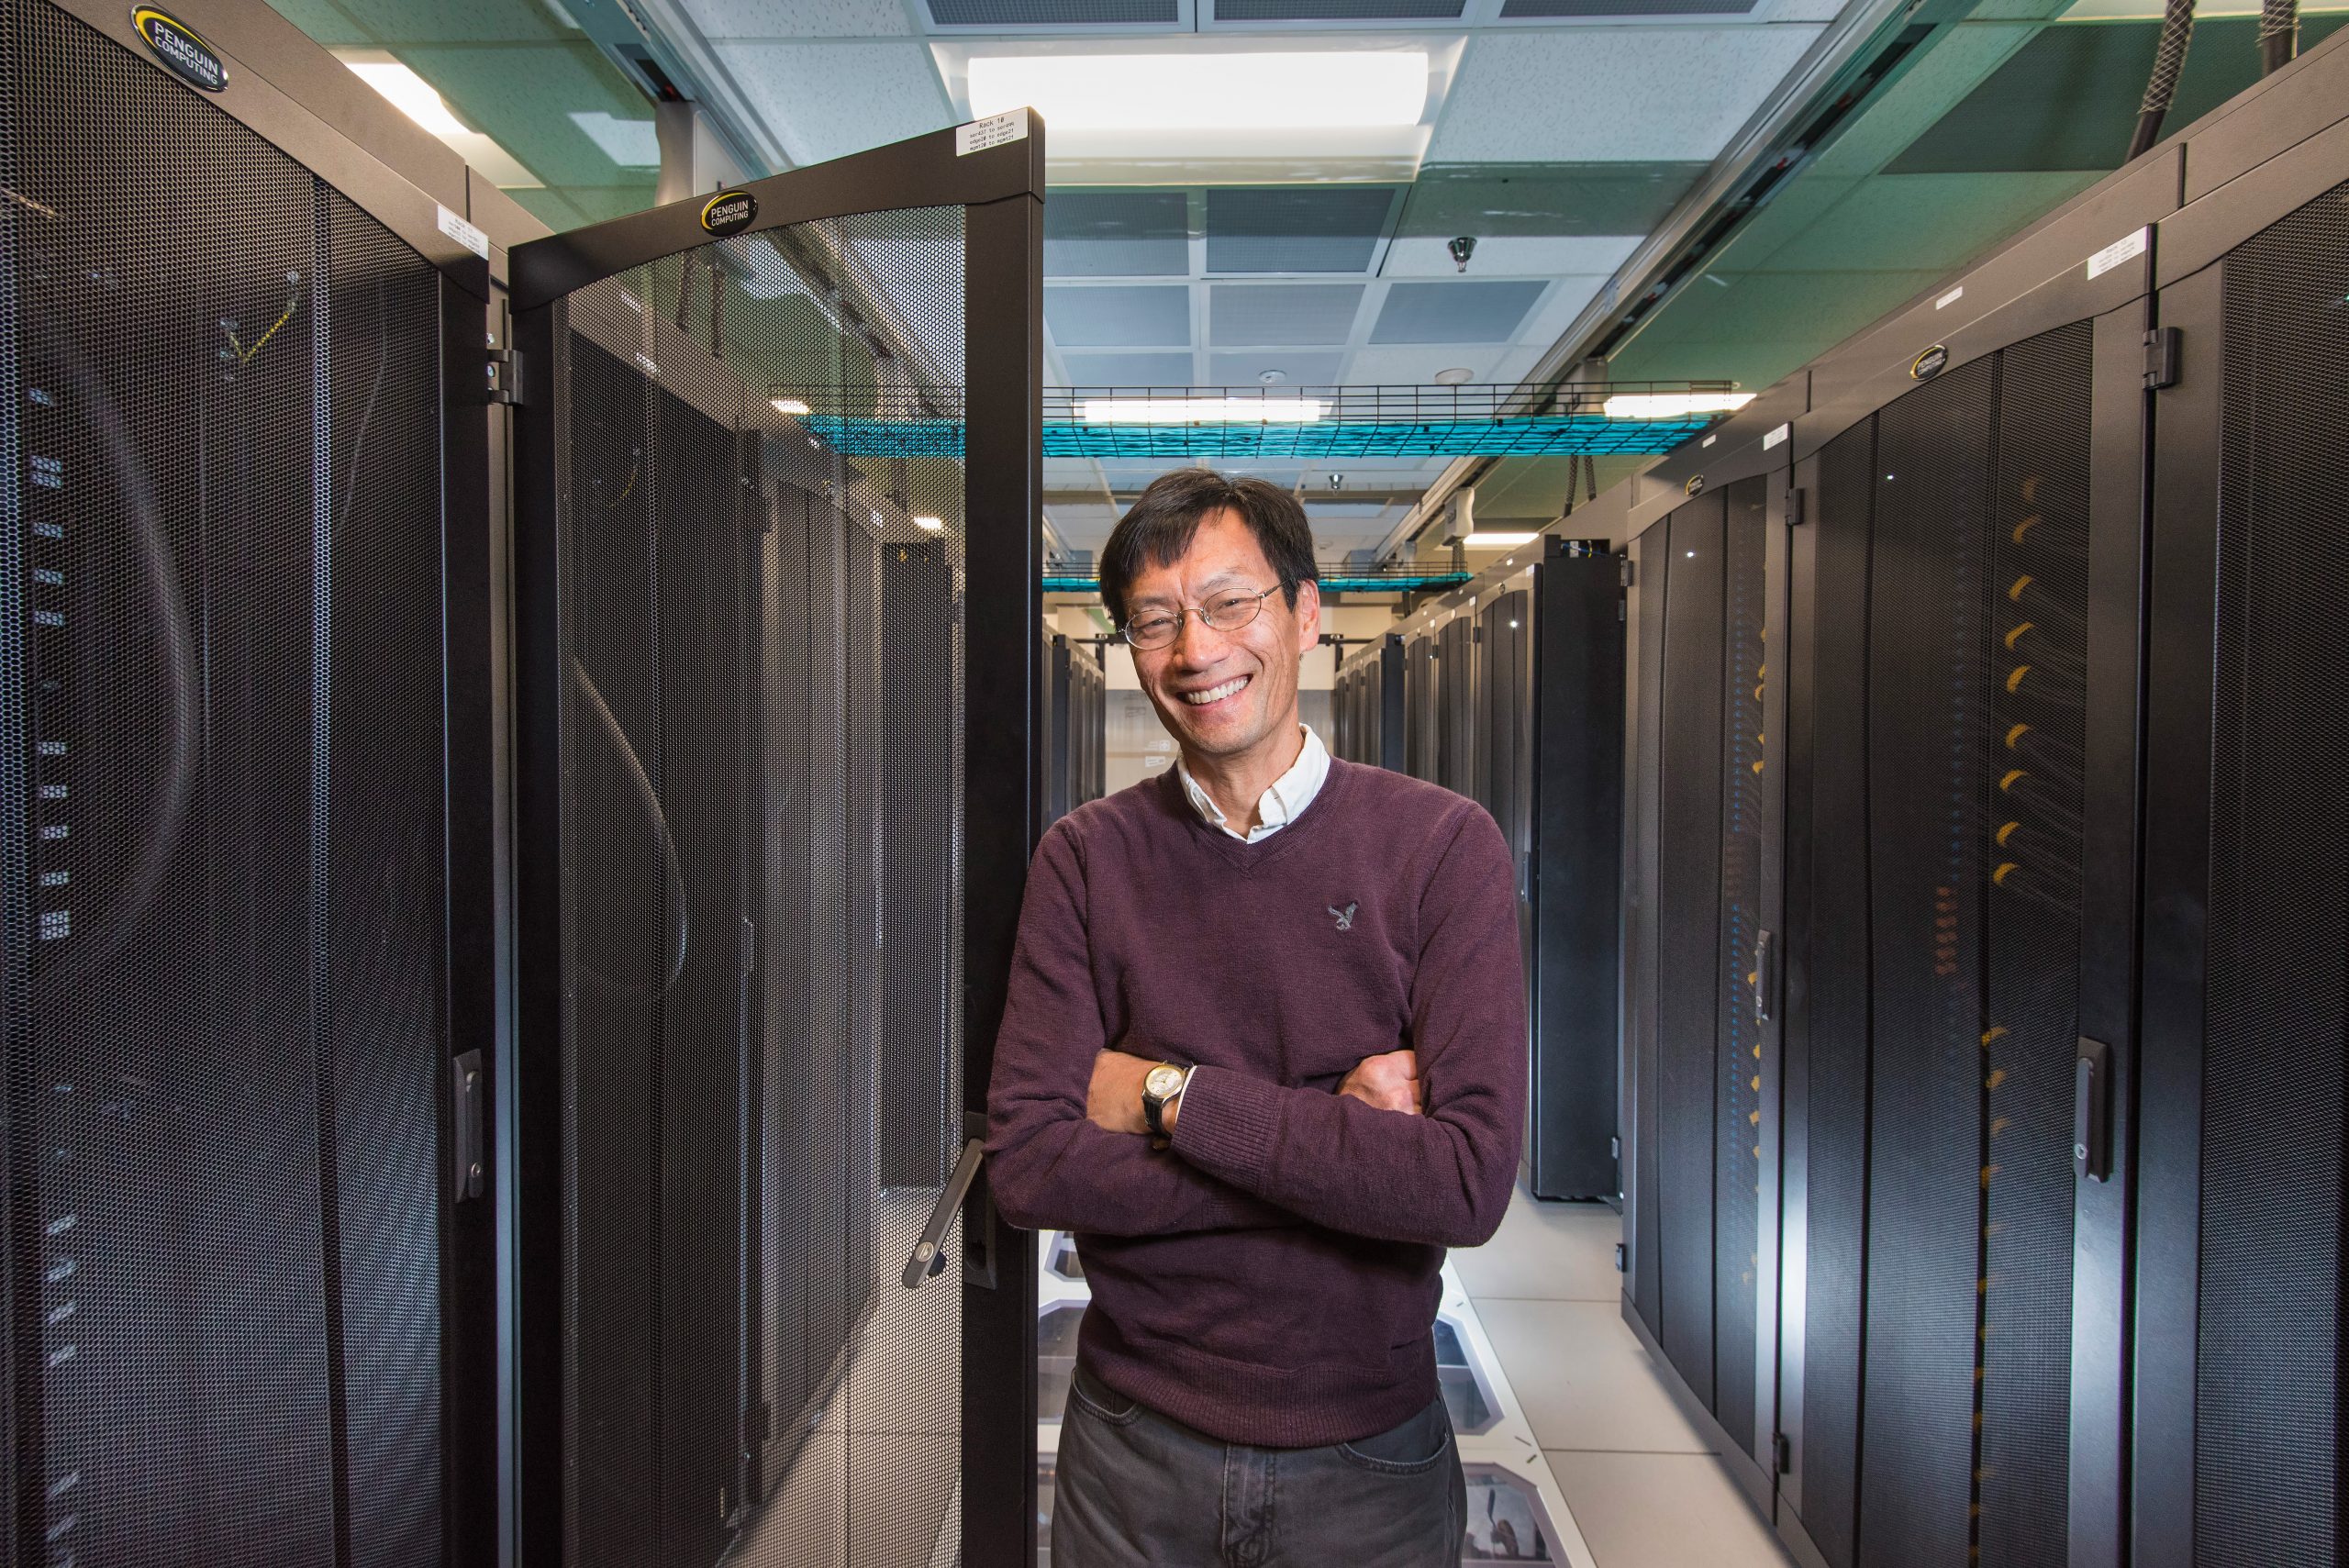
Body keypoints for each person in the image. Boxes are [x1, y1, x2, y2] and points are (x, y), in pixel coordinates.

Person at [985, 467, 1529, 1566]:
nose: (1195, 649)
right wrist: (1336, 1143)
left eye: (1229, 603)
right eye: (1153, 619)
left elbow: (1463, 1184)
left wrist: (1164, 1094)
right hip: (1133, 1441)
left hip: (1369, 1452)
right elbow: (1031, 1166)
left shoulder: (1439, 847)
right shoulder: (1085, 859)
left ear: (1305, 613)